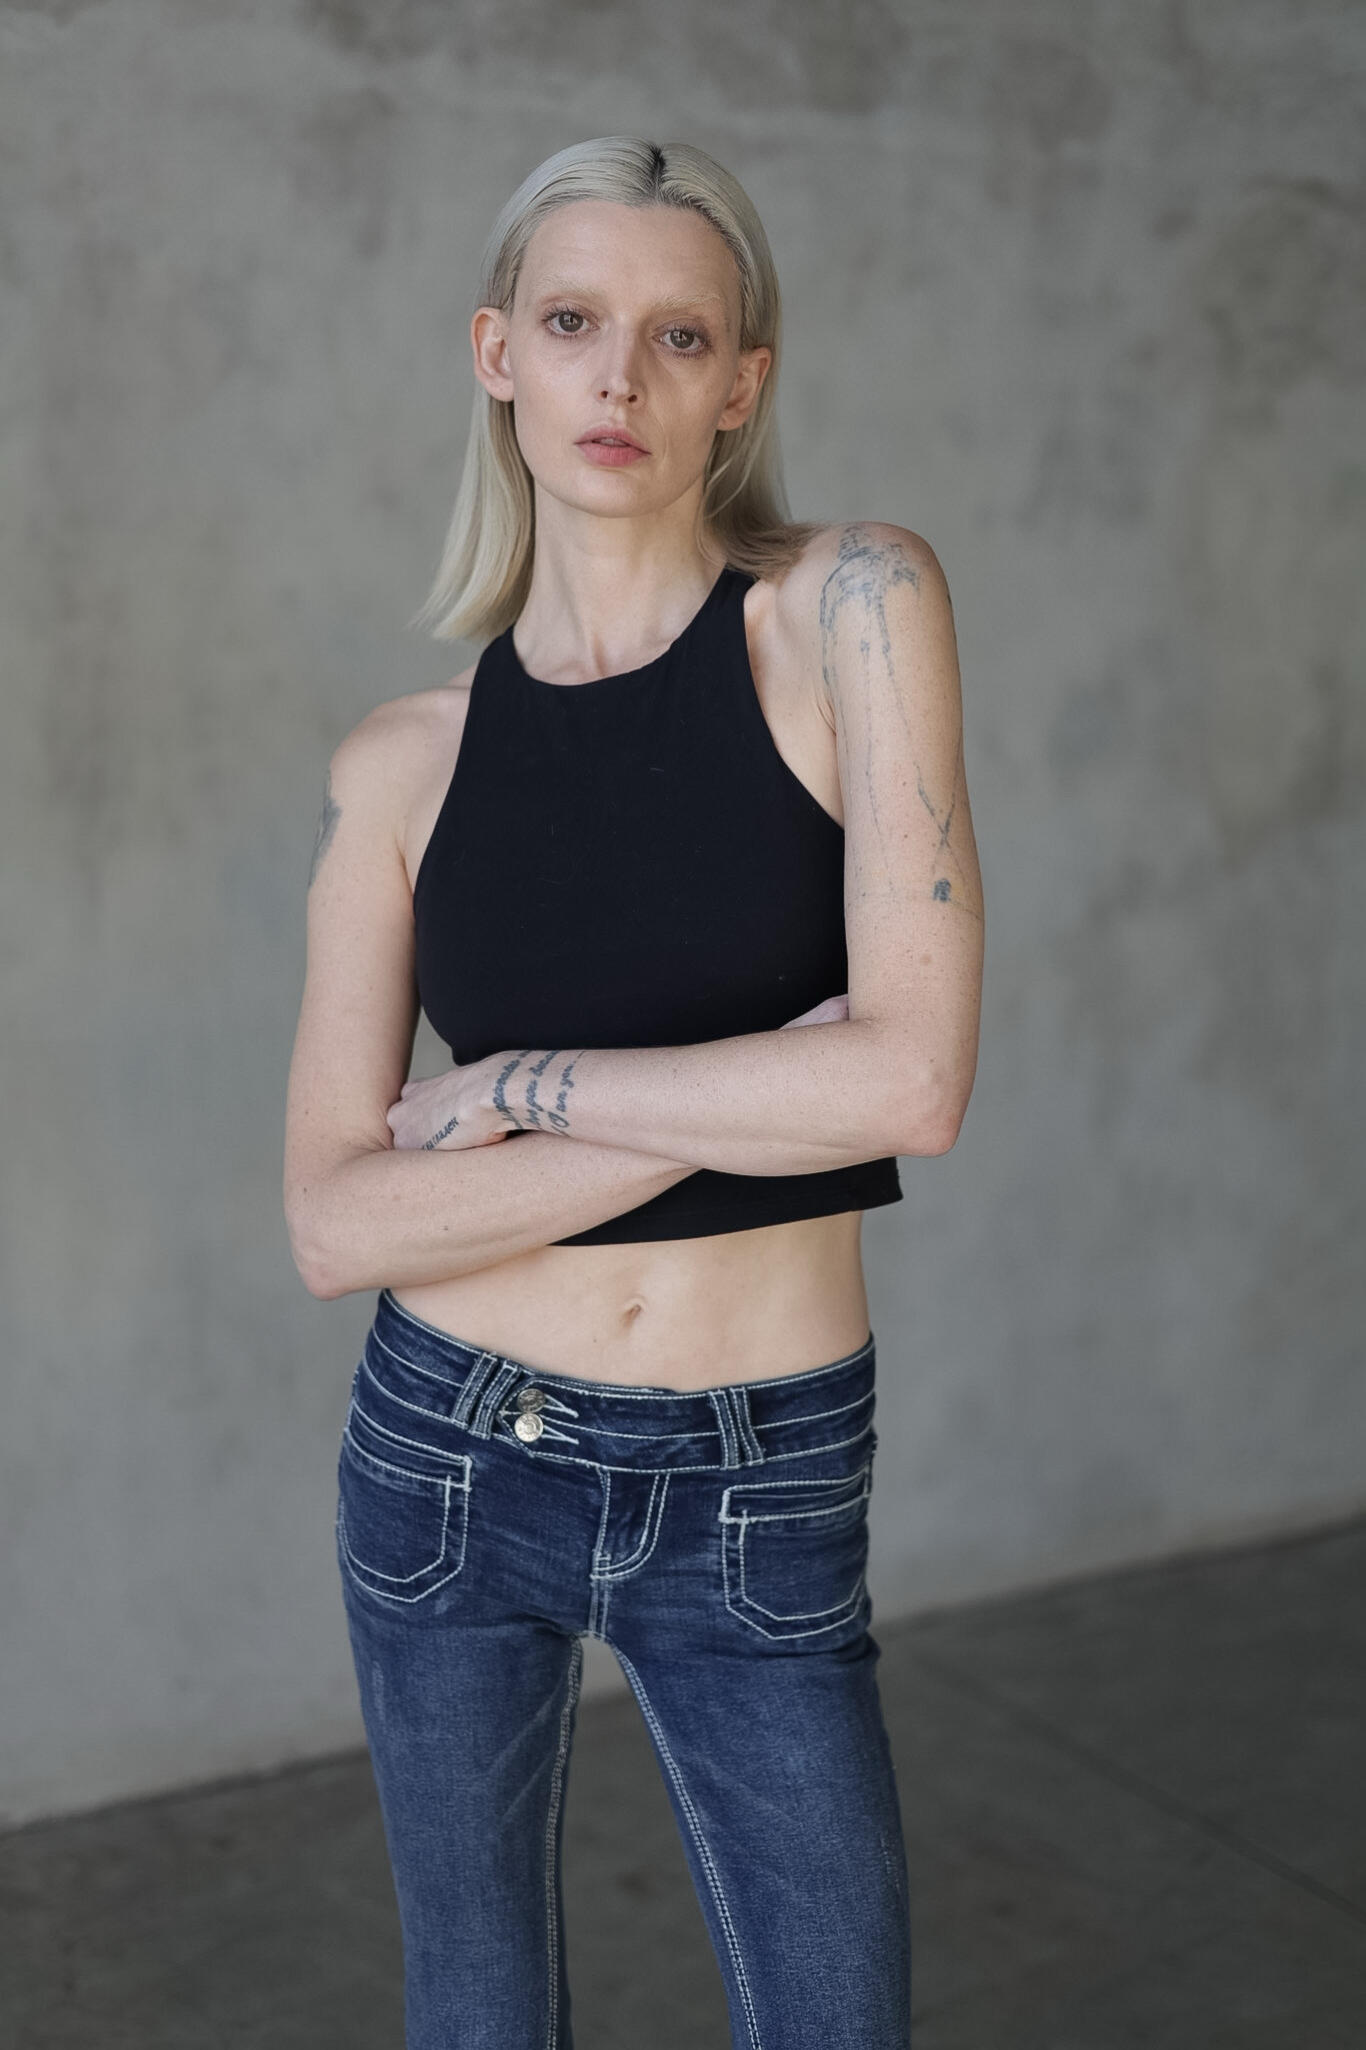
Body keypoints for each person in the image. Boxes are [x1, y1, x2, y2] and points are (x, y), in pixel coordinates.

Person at [284, 134, 983, 2050]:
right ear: (496, 353)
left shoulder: (848, 607)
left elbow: (913, 1082)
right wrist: (772, 1088)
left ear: (741, 384)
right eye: (575, 322)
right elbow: (337, 1218)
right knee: (479, 2015)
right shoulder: (404, 761)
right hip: (446, 1454)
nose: (621, 377)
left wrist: (523, 1088)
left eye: (680, 337)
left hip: (762, 1465)